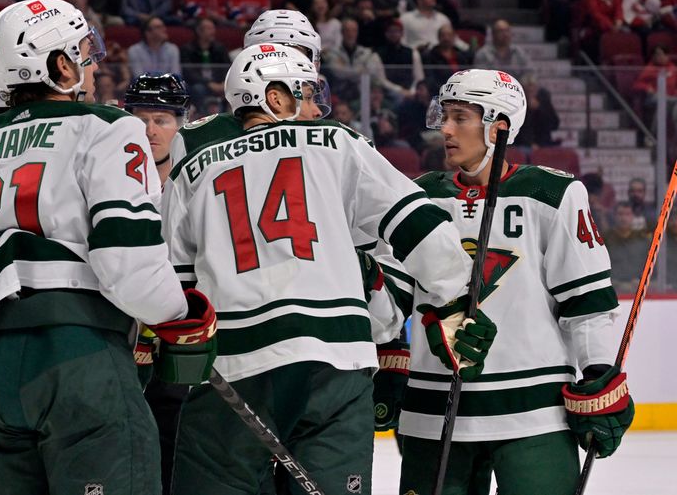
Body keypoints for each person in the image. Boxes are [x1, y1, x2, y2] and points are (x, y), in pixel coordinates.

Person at [0, 0, 217, 494]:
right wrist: (177, 315)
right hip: (83, 364)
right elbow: (127, 265)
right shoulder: (108, 126)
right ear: (61, 66)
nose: (94, 64)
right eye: (84, 51)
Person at [163, 42, 482, 495]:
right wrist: (457, 298)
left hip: (235, 362)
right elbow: (419, 222)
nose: (317, 108)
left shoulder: (194, 165)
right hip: (334, 358)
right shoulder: (339, 142)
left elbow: (170, 277)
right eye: (308, 94)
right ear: (276, 97)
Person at [399, 69, 635, 495]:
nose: (445, 130)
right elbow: (391, 299)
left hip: (534, 414)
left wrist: (598, 374)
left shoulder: (551, 194)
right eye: (444, 116)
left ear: (498, 126)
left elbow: (586, 303)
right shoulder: (416, 197)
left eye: (459, 117)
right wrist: (388, 359)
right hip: (434, 410)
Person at [124, 72, 191, 495]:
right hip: (124, 351)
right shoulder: (107, 183)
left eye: (162, 119)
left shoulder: (200, 182)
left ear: (183, 123)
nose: (150, 130)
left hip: (183, 349)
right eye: (140, 119)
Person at [605, 201, 650, 292]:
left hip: (637, 287)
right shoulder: (605, 239)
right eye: (620, 214)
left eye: (627, 214)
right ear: (614, 216)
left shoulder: (642, 240)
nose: (624, 218)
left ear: (633, 216)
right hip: (613, 287)